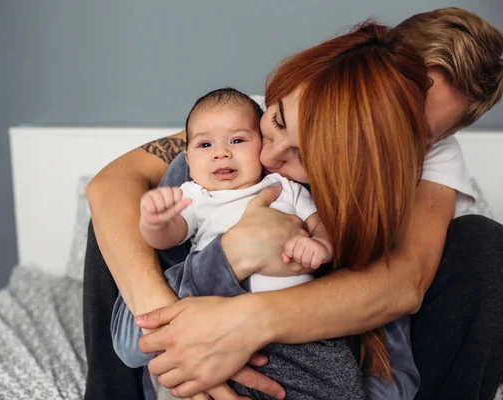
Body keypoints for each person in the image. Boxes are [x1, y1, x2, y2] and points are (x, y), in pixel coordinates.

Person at [83, 8, 503, 400]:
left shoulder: (432, 158)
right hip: (202, 295)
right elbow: (111, 185)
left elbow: (402, 283)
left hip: (315, 317)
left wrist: (241, 323)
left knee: (483, 245)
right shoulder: (256, 116)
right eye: (276, 122)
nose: (267, 158)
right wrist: (175, 338)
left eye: (413, 124)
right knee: (130, 216)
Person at [112, 88, 369, 400]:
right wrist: (154, 221)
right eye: (205, 145)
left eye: (237, 140)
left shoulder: (282, 187)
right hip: (220, 323)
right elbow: (169, 236)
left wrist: (322, 246)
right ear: (188, 160)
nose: (221, 153)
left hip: (298, 325)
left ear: (261, 146)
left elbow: (318, 223)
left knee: (340, 385)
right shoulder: (196, 196)